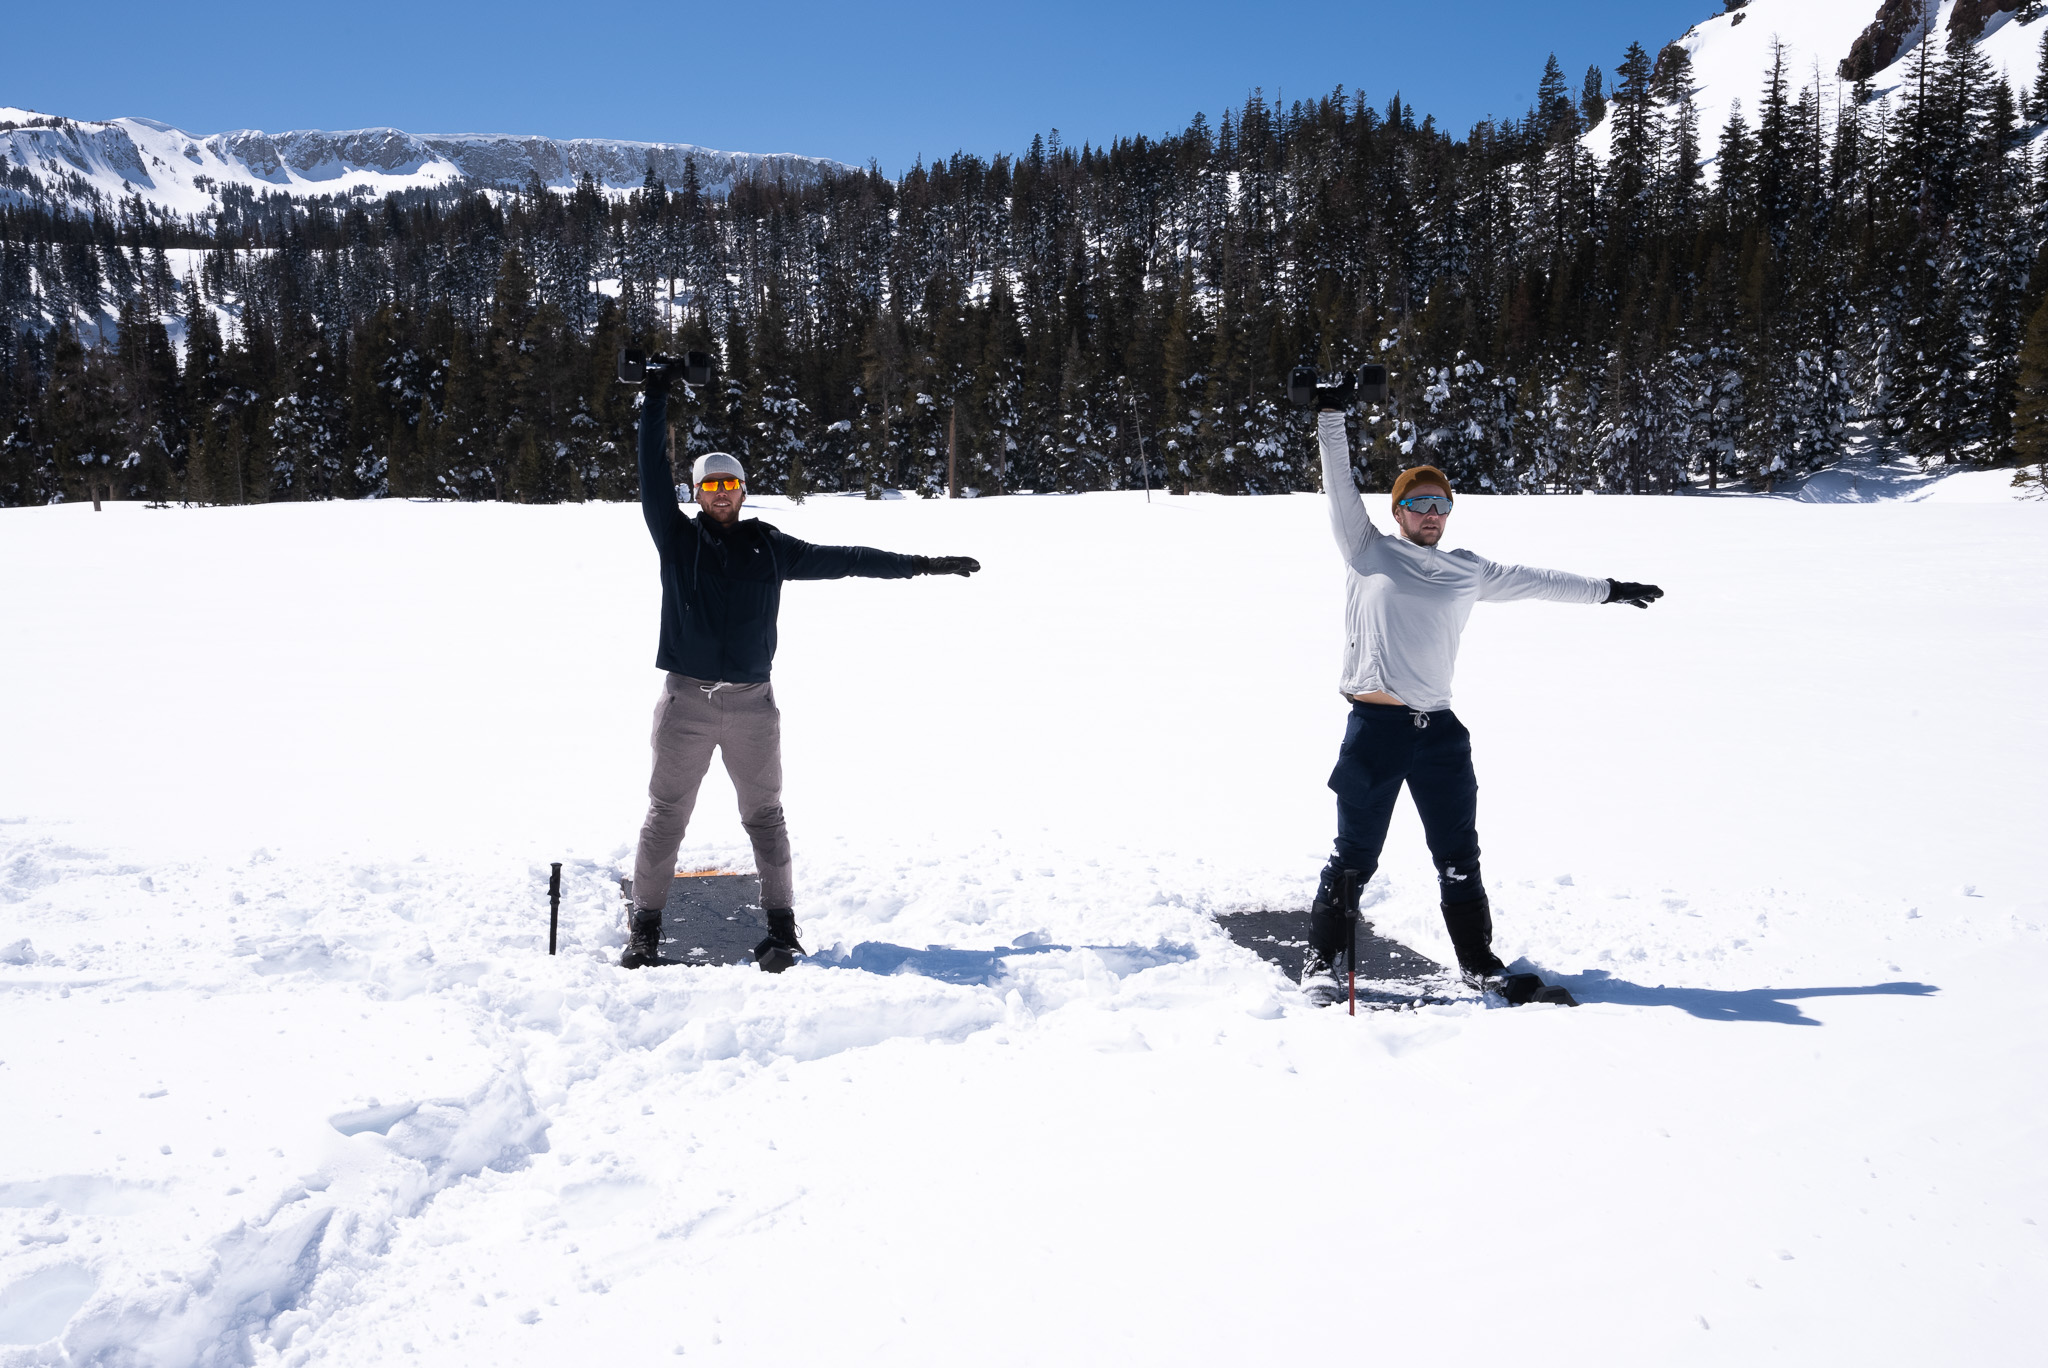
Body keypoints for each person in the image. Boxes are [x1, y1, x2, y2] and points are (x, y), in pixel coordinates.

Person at [1302, 385, 1663, 1003]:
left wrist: (1608, 589)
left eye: (1440, 504)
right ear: (1398, 512)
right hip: (1376, 729)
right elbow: (1339, 483)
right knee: (1356, 854)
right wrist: (1331, 415)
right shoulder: (1367, 550)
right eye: (1417, 504)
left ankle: (1478, 961)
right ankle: (1323, 961)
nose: (1430, 513)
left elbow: (1538, 581)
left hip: (1439, 733)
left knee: (1458, 854)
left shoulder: (1467, 570)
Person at [625, 356, 980, 971]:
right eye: (710, 486)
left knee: (765, 816)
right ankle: (647, 930)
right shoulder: (677, 539)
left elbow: (846, 557)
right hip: (686, 700)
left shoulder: (770, 546)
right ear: (697, 493)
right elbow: (651, 475)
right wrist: (655, 397)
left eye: (730, 485)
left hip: (751, 706)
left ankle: (782, 929)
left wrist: (920, 563)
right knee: (665, 817)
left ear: (743, 490)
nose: (721, 495)